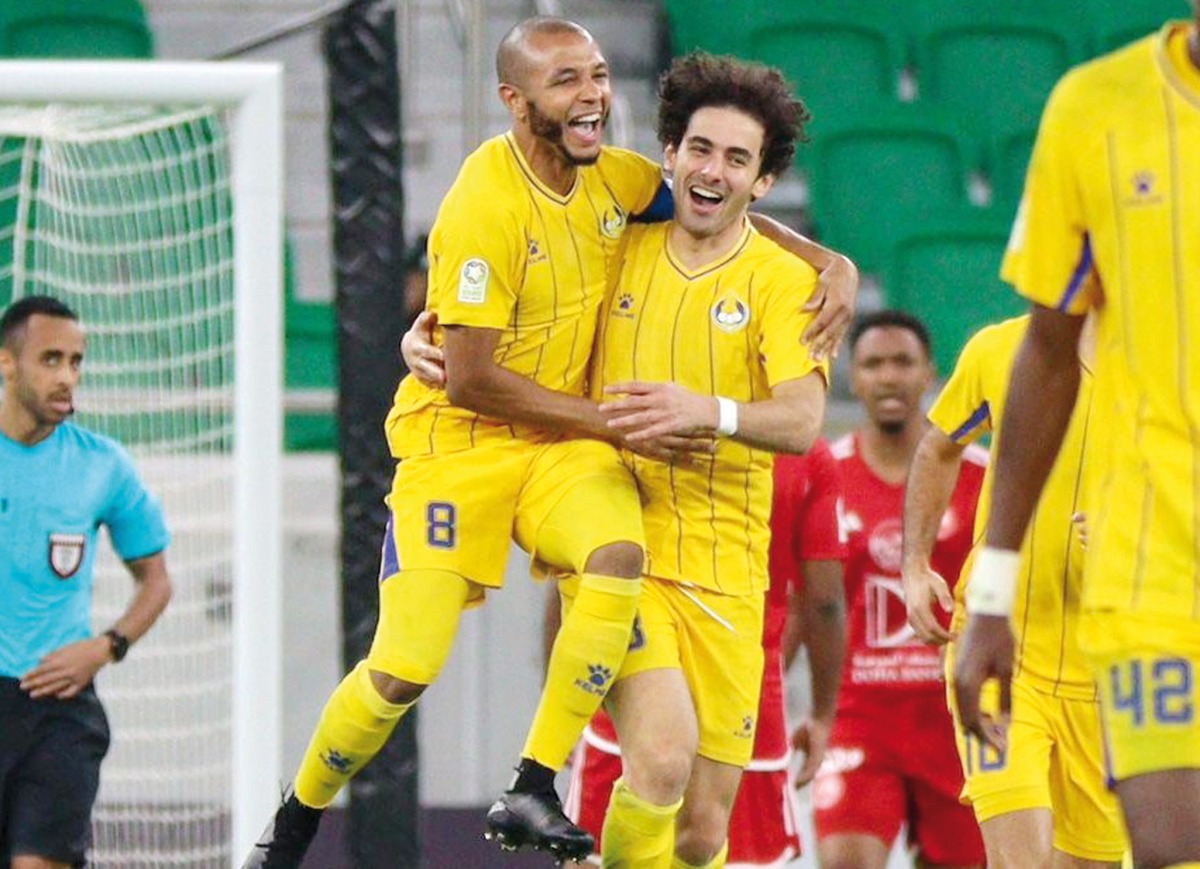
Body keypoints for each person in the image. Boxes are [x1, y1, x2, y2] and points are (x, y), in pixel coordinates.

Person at [245, 17, 857, 869]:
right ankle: (324, 813)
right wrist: (439, 348)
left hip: (650, 512)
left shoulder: (646, 205)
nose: (593, 95)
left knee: (693, 807)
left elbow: (788, 388)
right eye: (567, 80)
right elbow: (472, 365)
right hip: (532, 476)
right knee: (439, 677)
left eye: (600, 74)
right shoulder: (542, 213)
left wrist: (834, 263)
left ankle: (543, 792)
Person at [952, 10, 1200, 869]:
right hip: (1153, 565)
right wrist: (991, 592)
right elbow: (1047, 354)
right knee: (1170, 840)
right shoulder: (1096, 106)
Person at [586, 52, 831, 869]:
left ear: (761, 185)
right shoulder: (617, 246)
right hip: (625, 554)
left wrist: (709, 413)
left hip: (730, 578)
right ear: (669, 153)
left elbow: (800, 420)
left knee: (700, 836)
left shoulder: (778, 280)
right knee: (659, 759)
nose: (713, 170)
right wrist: (432, 325)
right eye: (700, 148)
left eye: (736, 158)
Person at [558, 439, 848, 868]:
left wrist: (564, 700)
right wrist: (824, 714)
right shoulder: (803, 449)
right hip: (744, 689)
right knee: (714, 845)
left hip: (633, 667)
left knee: (597, 853)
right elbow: (823, 600)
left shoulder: (647, 421)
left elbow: (588, 567)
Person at [902, 314, 1125, 869]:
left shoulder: (1173, 371)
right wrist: (913, 564)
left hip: (1108, 677)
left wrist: (1136, 542)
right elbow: (939, 447)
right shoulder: (1001, 349)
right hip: (1002, 651)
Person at [0, 295, 173, 869]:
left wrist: (106, 646)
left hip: (59, 709)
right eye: (51, 359)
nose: (67, 377)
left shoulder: (103, 466)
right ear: (7, 363)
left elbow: (156, 582)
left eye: (76, 362)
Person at [814, 310, 987, 869]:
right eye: (873, 364)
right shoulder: (827, 476)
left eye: (903, 362)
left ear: (930, 374)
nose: (889, 376)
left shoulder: (984, 476)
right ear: (854, 378)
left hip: (958, 717)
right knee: (846, 862)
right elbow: (804, 602)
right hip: (860, 714)